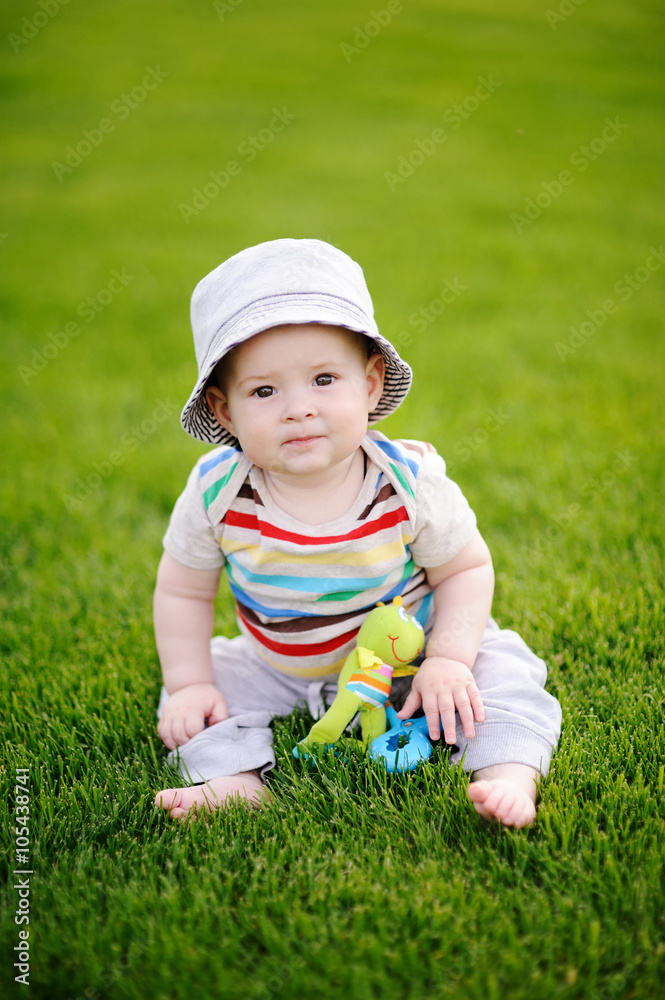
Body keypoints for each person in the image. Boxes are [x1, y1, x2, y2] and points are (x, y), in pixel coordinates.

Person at [153, 238, 561, 827]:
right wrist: (191, 683)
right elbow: (183, 591)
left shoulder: (407, 481)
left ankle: (508, 774)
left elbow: (466, 569)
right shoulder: (216, 492)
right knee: (196, 696)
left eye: (324, 379)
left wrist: (448, 659)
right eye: (264, 391)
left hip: (409, 656)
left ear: (369, 384)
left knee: (502, 669)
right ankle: (234, 781)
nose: (299, 408)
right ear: (224, 411)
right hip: (277, 667)